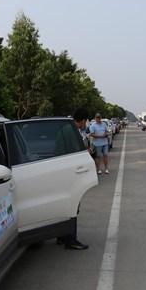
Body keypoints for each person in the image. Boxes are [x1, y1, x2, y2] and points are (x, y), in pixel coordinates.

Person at [56, 107, 90, 250]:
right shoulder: (73, 131)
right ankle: (70, 239)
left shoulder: (65, 129)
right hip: (69, 173)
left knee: (64, 206)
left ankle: (61, 235)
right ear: (83, 120)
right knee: (72, 206)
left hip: (61, 171)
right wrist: (87, 152)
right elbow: (77, 152)